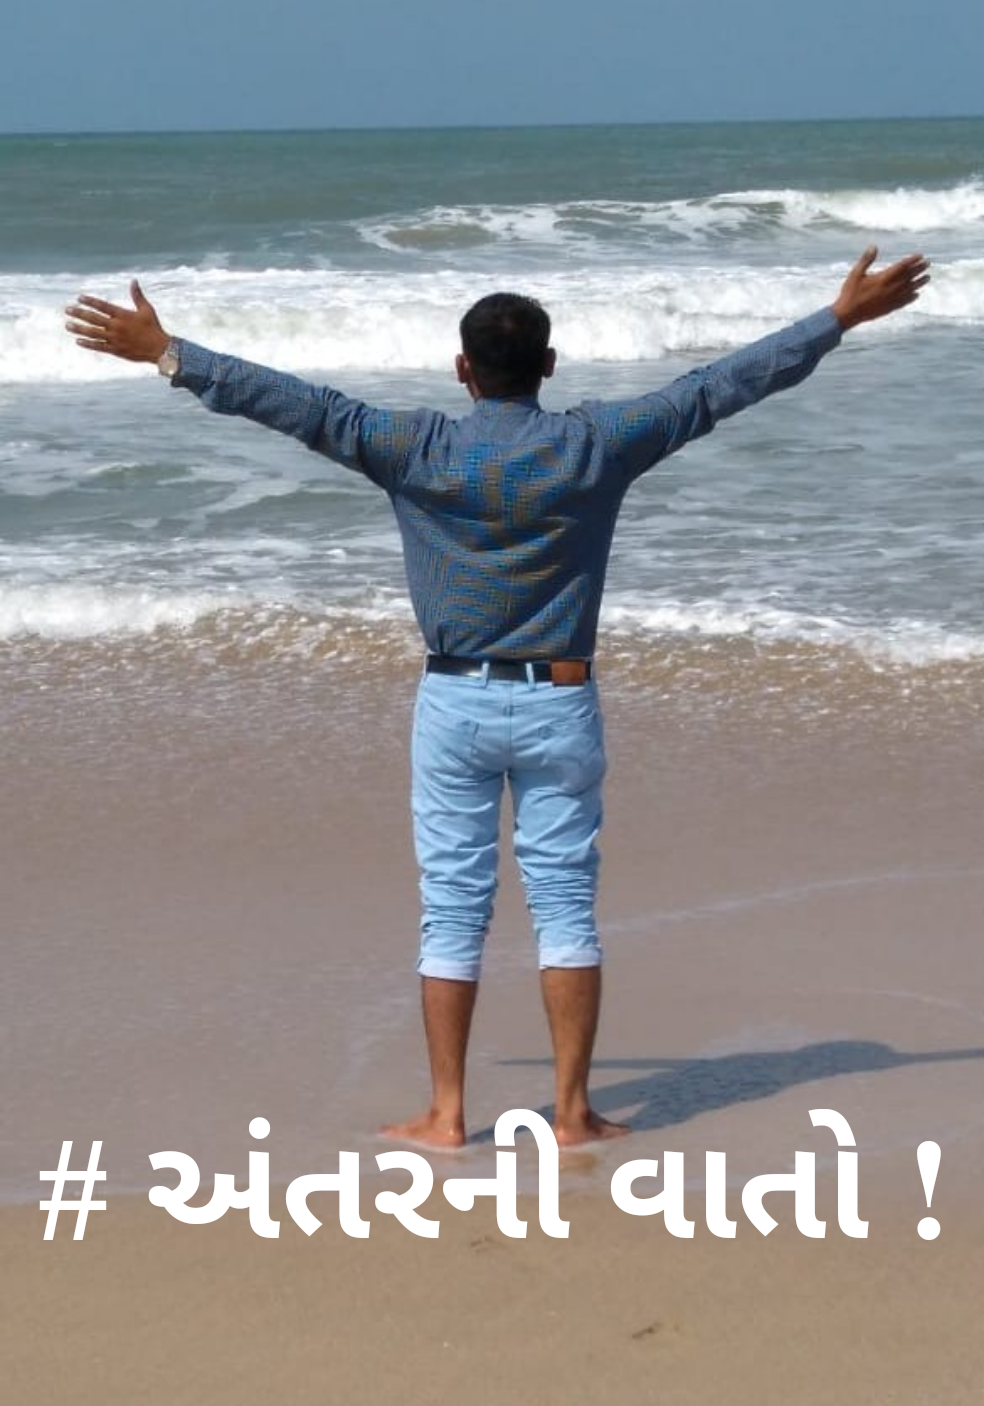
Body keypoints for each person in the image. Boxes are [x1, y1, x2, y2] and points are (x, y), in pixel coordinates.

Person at [65, 246, 929, 1148]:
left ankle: (446, 1114)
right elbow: (716, 389)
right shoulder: (596, 444)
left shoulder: (414, 447)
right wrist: (838, 319)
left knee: (452, 908)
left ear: (462, 369)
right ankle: (573, 1113)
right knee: (565, 907)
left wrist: (169, 353)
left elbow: (297, 406)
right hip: (561, 701)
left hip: (454, 704)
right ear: (548, 365)